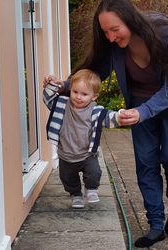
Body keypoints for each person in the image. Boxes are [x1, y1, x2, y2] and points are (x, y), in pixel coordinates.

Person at [43, 0, 168, 247]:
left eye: (114, 29)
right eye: (105, 32)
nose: (110, 37)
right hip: (139, 102)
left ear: (130, 19)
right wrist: (63, 86)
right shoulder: (112, 44)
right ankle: (156, 225)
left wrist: (143, 111)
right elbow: (96, 70)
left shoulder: (163, 30)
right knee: (146, 163)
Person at [43, 69, 121, 209]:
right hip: (66, 154)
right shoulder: (62, 105)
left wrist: (121, 116)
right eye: (75, 92)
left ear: (94, 97)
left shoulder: (95, 111)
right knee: (67, 178)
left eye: (84, 94)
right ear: (70, 90)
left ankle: (91, 189)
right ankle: (75, 195)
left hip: (87, 154)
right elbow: (48, 98)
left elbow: (109, 117)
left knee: (94, 172)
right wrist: (52, 84)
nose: (78, 97)